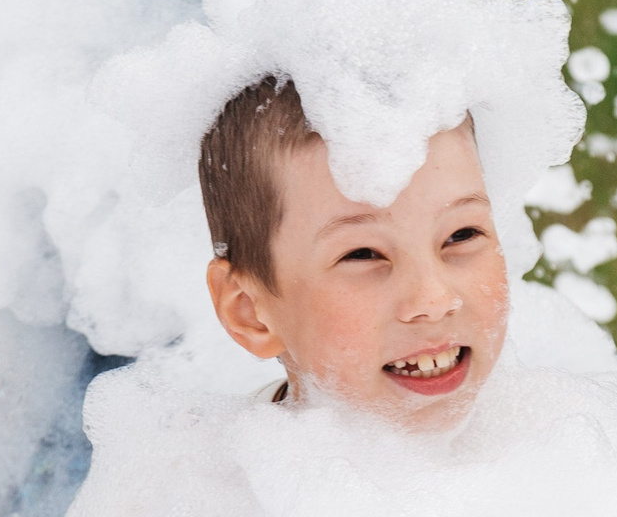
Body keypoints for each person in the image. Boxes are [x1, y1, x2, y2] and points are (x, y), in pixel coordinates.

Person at [199, 74, 508, 429]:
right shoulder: (209, 463)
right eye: (362, 254)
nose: (435, 301)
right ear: (249, 311)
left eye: (462, 235)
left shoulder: (547, 436)